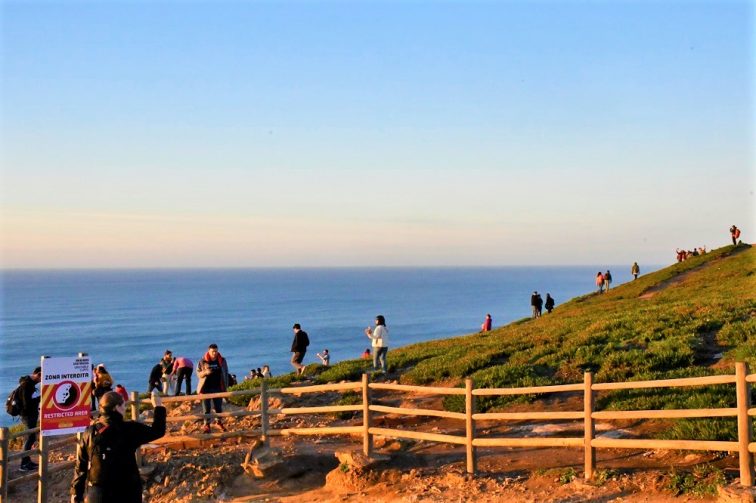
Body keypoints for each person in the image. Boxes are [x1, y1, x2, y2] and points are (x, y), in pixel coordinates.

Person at [71, 390, 165, 503]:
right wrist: (158, 406)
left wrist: (76, 494)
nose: (125, 409)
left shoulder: (90, 432)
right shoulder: (130, 429)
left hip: (97, 493)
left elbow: (81, 466)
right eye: (123, 406)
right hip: (126, 491)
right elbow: (157, 431)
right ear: (116, 407)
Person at [196, 343, 229, 434]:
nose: (214, 353)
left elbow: (225, 373)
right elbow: (198, 374)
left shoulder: (222, 360)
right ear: (208, 351)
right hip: (205, 388)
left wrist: (226, 386)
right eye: (212, 351)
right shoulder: (202, 361)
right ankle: (207, 425)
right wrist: (205, 372)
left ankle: (219, 422)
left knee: (218, 407)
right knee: (206, 408)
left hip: (218, 387)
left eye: (216, 351)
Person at [18, 366, 41, 472]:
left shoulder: (29, 383)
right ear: (38, 374)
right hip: (27, 416)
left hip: (30, 415)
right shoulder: (27, 385)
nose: (41, 381)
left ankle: (27, 461)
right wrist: (39, 399)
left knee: (31, 437)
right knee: (30, 438)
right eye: (41, 378)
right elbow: (26, 403)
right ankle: (23, 464)